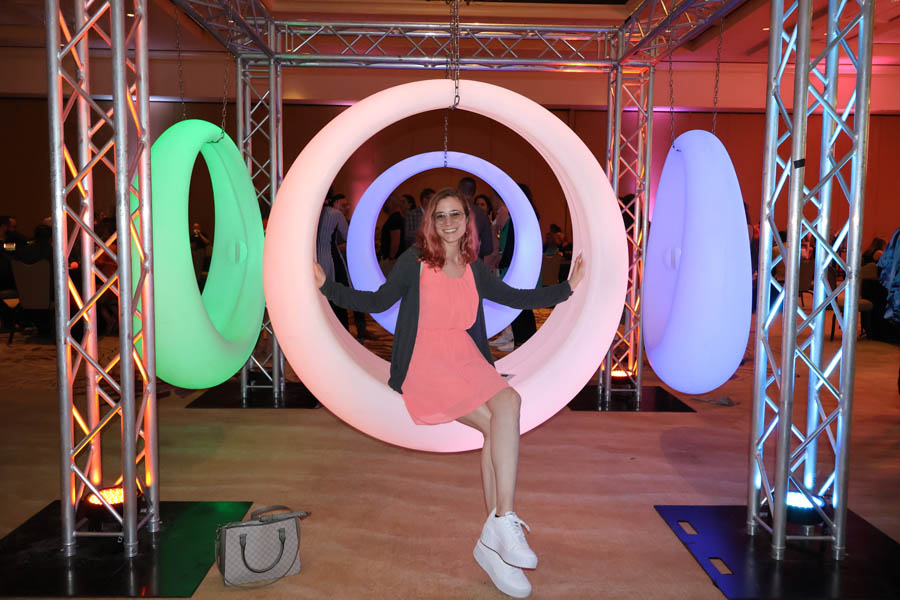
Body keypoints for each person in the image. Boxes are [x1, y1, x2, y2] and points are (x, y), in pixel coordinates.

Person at [314, 187, 585, 598]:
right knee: (495, 426)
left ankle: (499, 528)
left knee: (508, 403)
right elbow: (378, 300)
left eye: (454, 214)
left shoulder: (473, 266)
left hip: (465, 357)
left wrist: (566, 288)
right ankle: (499, 532)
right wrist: (326, 287)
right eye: (439, 216)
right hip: (425, 361)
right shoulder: (415, 261)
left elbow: (514, 297)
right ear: (431, 222)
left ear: (467, 219)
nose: (448, 222)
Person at [316, 187, 350, 328]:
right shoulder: (335, 214)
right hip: (331, 260)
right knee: (336, 300)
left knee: (317, 303)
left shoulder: (308, 213)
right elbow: (348, 237)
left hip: (311, 262)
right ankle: (341, 332)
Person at [459, 176, 493, 259]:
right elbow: (488, 248)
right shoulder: (482, 214)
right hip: (476, 261)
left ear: (459, 190)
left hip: (454, 261)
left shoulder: (451, 210)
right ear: (474, 192)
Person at [378, 195, 406, 275]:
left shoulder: (394, 219)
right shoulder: (397, 218)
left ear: (390, 203)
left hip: (391, 261)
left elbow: (395, 241)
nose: (383, 206)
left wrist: (391, 257)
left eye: (385, 203)